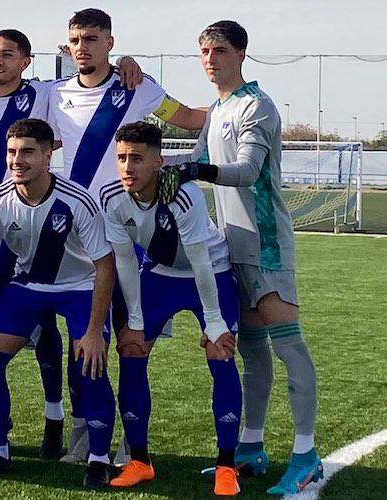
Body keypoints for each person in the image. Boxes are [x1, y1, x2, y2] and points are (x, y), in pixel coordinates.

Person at [159, 20, 322, 496]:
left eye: (221, 51)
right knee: (250, 352)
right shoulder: (218, 108)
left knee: (289, 349)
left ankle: (306, 454)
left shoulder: (258, 106)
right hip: (230, 247)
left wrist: (195, 168)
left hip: (266, 247)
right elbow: (190, 156)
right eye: (205, 51)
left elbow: (248, 172)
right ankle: (251, 448)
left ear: (242, 54)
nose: (211, 59)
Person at [48, 7, 207, 463]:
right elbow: (36, 142)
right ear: (68, 45)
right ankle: (85, 429)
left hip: (130, 237)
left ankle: (129, 437)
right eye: (77, 40)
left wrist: (236, 102)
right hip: (75, 238)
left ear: (110, 43)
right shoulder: (53, 95)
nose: (84, 47)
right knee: (83, 336)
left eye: (92, 39)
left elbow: (191, 119)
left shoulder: (138, 87)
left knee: (130, 340)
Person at [0, 118, 115, 488]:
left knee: (90, 362)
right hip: (29, 286)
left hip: (80, 286)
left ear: (49, 156)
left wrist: (96, 331)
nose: (17, 160)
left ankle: (98, 457)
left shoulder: (77, 200)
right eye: (12, 152)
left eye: (28, 152)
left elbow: (104, 267)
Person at [101, 121, 242, 496]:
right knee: (131, 350)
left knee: (220, 353)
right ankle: (140, 461)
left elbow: (199, 261)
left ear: (158, 162)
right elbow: (125, 261)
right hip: (160, 275)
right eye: (122, 158)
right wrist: (132, 319)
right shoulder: (112, 197)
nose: (128, 167)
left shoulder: (182, 193)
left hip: (210, 273)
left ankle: (227, 466)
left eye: (137, 159)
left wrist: (214, 322)